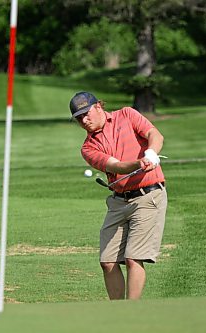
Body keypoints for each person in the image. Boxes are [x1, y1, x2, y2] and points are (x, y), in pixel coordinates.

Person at [69, 91, 168, 300]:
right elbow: (118, 166)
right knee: (108, 261)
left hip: (147, 196)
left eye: (86, 114)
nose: (84, 121)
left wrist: (151, 153)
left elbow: (155, 135)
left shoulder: (127, 115)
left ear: (98, 106)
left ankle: (130, 314)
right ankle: (117, 312)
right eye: (79, 118)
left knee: (133, 258)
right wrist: (139, 163)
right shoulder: (88, 147)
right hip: (118, 201)